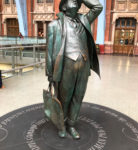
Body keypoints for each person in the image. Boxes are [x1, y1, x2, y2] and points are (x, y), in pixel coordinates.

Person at [45, 0, 103, 139]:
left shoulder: (84, 19)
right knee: (64, 99)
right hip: (66, 67)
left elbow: (98, 6)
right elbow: (49, 51)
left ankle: (71, 124)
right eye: (73, 0)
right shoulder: (54, 25)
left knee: (78, 97)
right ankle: (62, 125)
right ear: (64, 6)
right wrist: (50, 73)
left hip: (83, 65)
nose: (76, 2)